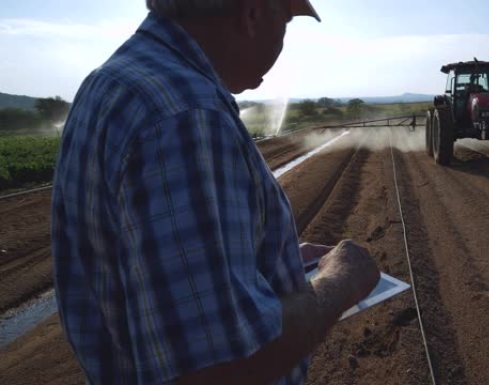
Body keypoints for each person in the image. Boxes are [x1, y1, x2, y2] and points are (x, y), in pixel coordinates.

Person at [51, 1, 380, 384]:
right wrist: (340, 284)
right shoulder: (186, 116)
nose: (283, 40)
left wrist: (263, 262)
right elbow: (220, 367)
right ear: (253, 13)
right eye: (286, 21)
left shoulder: (111, 83)